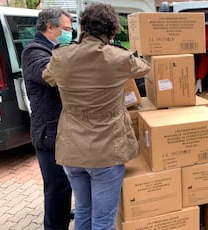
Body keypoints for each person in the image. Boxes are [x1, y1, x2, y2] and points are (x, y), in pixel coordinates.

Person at [42, 3, 151, 229]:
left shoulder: (61, 56)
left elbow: (48, 77)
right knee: (103, 219)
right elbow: (144, 67)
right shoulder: (120, 59)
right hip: (106, 151)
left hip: (72, 150)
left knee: (83, 210)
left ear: (81, 26)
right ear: (112, 32)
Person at [21, 7, 73, 230]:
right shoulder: (34, 52)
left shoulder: (55, 49)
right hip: (48, 133)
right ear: (50, 27)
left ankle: (61, 214)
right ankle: (54, 226)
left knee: (64, 185)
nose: (70, 34)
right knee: (56, 187)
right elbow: (53, 75)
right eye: (67, 29)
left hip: (61, 131)